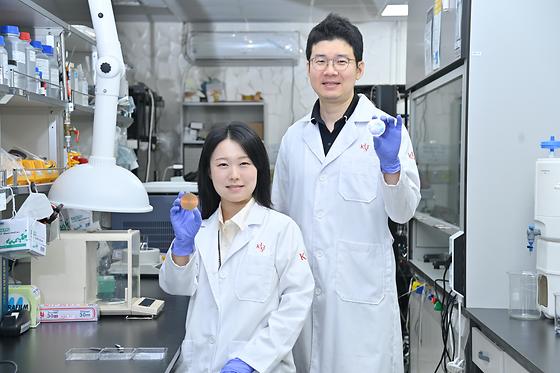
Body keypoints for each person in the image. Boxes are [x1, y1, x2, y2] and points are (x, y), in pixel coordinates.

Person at [271, 13, 420, 373]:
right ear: (309, 68)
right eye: (320, 61)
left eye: (341, 61)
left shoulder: (384, 132)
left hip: (361, 299)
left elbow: (404, 211)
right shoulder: (293, 139)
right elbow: (279, 217)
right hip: (302, 294)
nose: (330, 70)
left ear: (359, 68)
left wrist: (390, 167)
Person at [160, 122, 315, 373]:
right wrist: (182, 245)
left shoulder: (281, 229)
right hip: (200, 364)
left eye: (244, 164)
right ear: (209, 172)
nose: (234, 174)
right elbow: (175, 287)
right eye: (222, 164)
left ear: (259, 169)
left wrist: (251, 360)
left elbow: (296, 303)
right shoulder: (198, 230)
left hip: (261, 365)